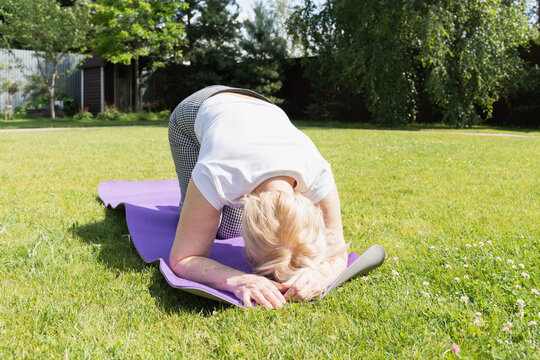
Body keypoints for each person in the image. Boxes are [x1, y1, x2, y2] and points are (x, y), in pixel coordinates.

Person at [168, 85, 348, 309]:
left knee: (221, 225)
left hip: (260, 106)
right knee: (224, 230)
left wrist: (321, 273)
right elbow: (182, 258)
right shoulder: (217, 173)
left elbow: (338, 250)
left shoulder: (317, 173)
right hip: (193, 110)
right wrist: (238, 279)